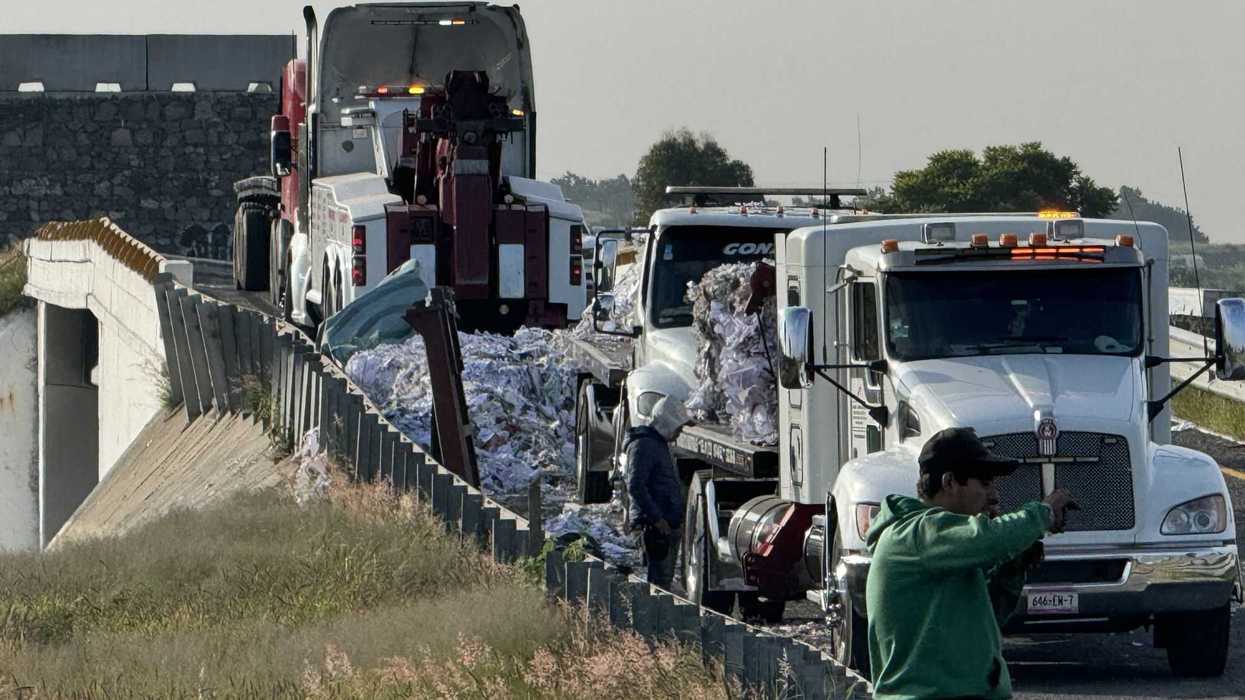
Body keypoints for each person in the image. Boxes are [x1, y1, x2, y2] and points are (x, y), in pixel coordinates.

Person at [865, 426, 1075, 700]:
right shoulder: (917, 533)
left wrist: (1011, 571)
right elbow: (988, 538)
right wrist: (1043, 514)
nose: (994, 496)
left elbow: (977, 624)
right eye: (985, 483)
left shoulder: (947, 549)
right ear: (949, 482)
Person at [625, 396, 689, 589]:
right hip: (654, 527)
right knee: (659, 583)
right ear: (667, 423)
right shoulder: (645, 445)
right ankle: (656, 617)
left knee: (663, 581)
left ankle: (659, 615)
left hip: (663, 524)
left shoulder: (656, 444)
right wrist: (657, 518)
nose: (680, 431)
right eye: (678, 427)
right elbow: (635, 485)